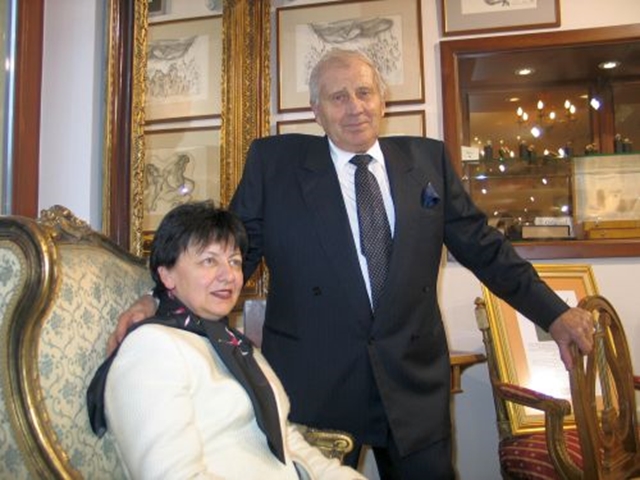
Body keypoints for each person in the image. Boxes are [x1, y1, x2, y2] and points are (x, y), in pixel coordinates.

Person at [111, 49, 594, 479]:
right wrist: (161, 303)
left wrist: (554, 313)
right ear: (316, 111)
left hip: (412, 383)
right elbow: (232, 254)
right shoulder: (275, 165)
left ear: (382, 101)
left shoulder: (427, 162)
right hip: (314, 384)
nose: (354, 107)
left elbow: (486, 249)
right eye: (337, 97)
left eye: (364, 92)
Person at [89, 201, 364, 480]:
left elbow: (287, 441)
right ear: (166, 275)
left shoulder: (235, 346)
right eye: (209, 261)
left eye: (234, 261)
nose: (229, 275)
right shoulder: (152, 349)